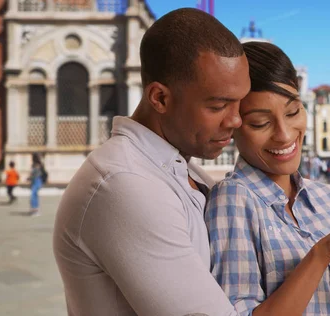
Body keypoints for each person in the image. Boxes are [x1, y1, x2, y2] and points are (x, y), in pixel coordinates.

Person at [53, 8, 251, 316]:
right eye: (218, 105)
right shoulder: (125, 183)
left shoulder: (178, 168)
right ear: (159, 98)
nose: (236, 120)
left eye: (240, 103)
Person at [205, 42, 330, 316]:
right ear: (233, 125)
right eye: (261, 123)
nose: (284, 134)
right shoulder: (233, 200)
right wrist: (322, 253)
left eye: (293, 112)